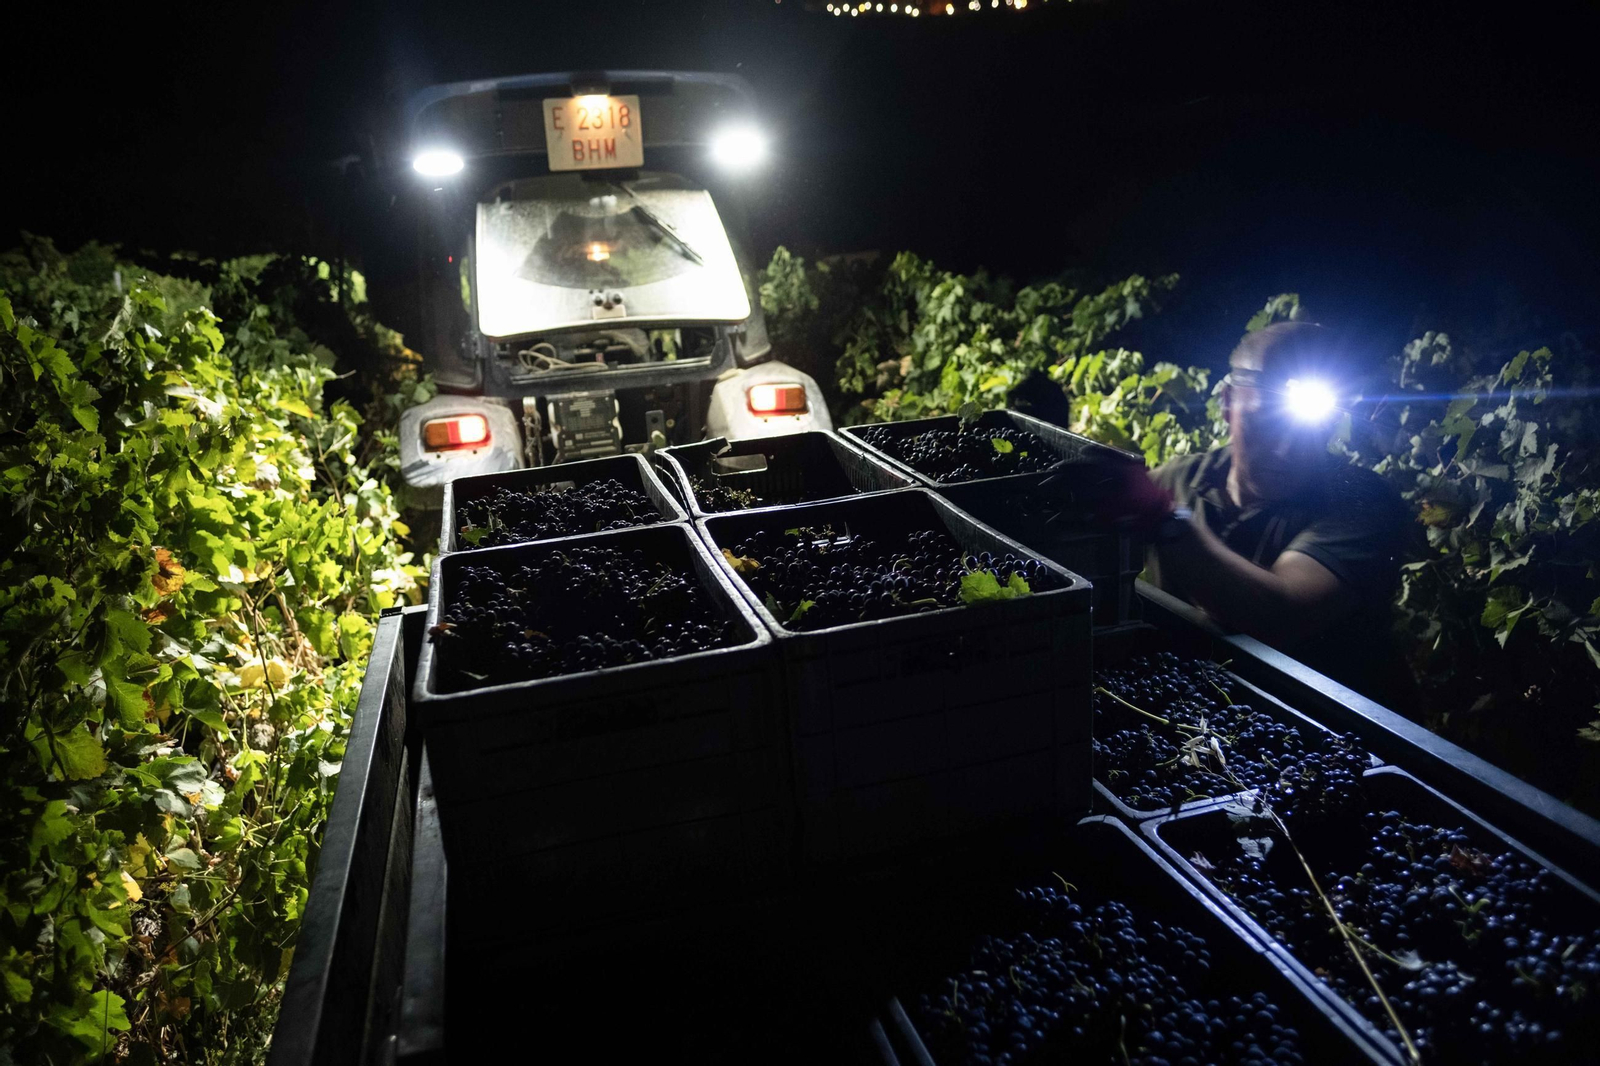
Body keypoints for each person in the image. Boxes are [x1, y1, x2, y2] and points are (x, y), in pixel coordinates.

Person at [1109, 321, 1412, 705]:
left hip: (1334, 735)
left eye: (1307, 432)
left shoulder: (1363, 503)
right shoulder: (1179, 479)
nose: (1285, 450)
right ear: (1227, 404)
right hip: (1204, 721)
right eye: (1264, 424)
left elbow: (1278, 616)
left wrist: (1162, 520)